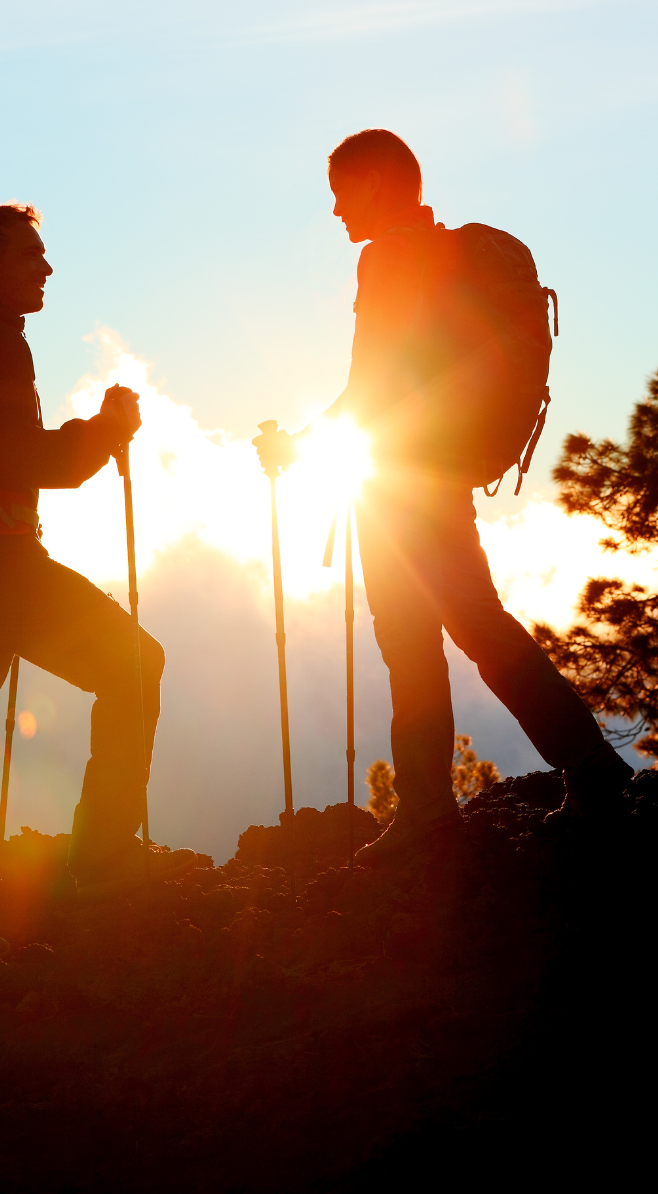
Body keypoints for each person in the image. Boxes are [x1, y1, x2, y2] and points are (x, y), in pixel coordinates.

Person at [254, 130, 632, 868]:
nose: (334, 211)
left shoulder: (388, 257)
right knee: (469, 626)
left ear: (375, 184)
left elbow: (372, 383)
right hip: (438, 470)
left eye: (341, 191)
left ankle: (452, 802)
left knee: (423, 638)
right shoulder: (442, 255)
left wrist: (297, 446)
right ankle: (566, 773)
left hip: (402, 482)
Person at [0, 203, 194, 982]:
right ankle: (102, 860)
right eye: (31, 255)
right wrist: (106, 430)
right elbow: (32, 461)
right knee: (134, 664)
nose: (47, 269)